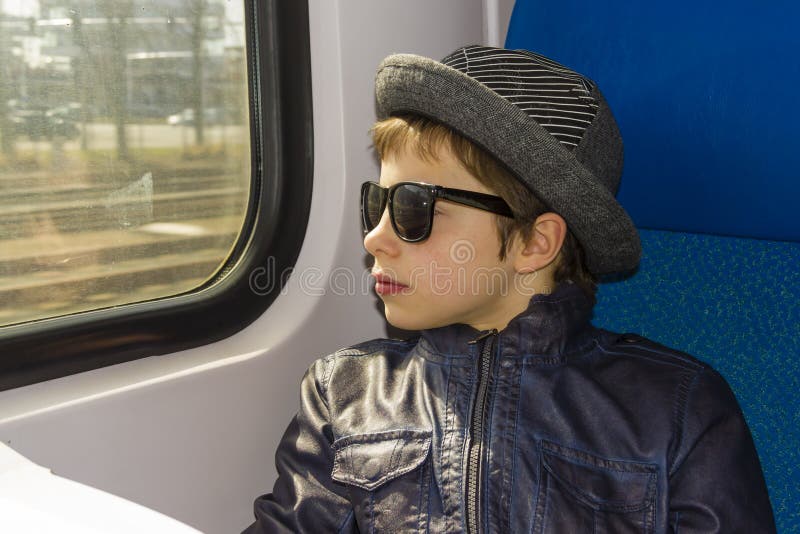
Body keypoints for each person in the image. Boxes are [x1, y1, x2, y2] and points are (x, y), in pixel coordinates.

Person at [243, 45, 775, 533]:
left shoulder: (676, 409)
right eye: (376, 204)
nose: (374, 237)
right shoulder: (346, 394)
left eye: (411, 208)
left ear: (535, 243)